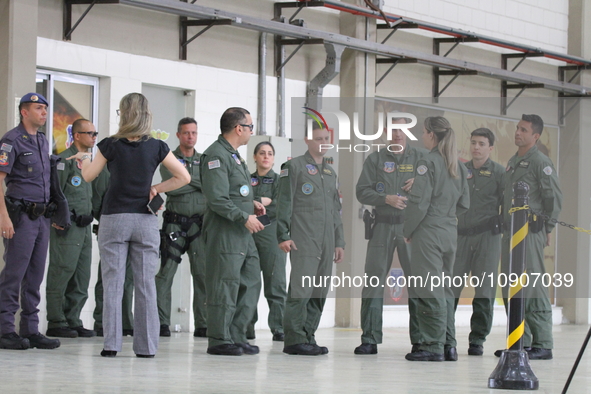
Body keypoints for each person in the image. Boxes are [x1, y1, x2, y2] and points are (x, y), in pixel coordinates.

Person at [69, 93, 190, 358]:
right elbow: (184, 176)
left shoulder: (109, 144)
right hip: (145, 220)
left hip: (114, 219)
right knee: (145, 284)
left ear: (123, 113)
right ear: (147, 114)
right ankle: (146, 347)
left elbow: (89, 175)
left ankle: (111, 344)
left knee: (113, 282)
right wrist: (157, 187)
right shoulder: (157, 146)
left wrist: (83, 159)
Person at [354, 118, 427, 355]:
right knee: (373, 281)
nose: (397, 134)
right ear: (385, 131)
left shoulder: (421, 159)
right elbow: (361, 191)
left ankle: (420, 339)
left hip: (411, 228)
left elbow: (437, 185)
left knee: (417, 282)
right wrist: (386, 199)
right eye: (393, 129)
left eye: (402, 130)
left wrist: (420, 181)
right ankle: (369, 338)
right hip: (382, 227)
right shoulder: (375, 159)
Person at [495, 114, 562, 360]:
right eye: (517, 128)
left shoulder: (540, 162)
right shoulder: (514, 160)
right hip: (510, 233)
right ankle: (519, 341)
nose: (517, 133)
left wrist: (548, 229)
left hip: (530, 233)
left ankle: (543, 343)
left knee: (532, 286)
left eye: (523, 130)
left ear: (536, 136)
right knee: (510, 288)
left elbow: (553, 198)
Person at [403, 116, 470, 362]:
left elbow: (419, 203)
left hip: (428, 232)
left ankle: (432, 346)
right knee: (444, 289)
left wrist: (408, 230)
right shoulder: (459, 166)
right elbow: (465, 203)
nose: (422, 136)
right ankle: (448, 345)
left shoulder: (427, 163)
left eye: (423, 132)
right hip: (449, 231)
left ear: (432, 134)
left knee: (428, 288)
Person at [200, 107, 265, 356]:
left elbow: (236, 191)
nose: (251, 131)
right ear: (239, 128)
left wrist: (252, 204)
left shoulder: (234, 155)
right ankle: (218, 338)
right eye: (250, 126)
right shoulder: (216, 155)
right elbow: (217, 199)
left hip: (242, 232)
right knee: (224, 284)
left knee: (249, 282)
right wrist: (243, 215)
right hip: (227, 231)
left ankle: (236, 335)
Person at [277, 124, 345, 356]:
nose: (322, 142)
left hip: (327, 241)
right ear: (307, 140)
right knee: (301, 289)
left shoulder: (330, 173)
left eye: (326, 138)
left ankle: (308, 335)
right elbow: (284, 204)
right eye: (318, 138)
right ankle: (294, 339)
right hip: (303, 239)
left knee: (319, 290)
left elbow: (336, 210)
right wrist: (283, 235)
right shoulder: (293, 167)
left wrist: (339, 242)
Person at [0, 93, 61, 350]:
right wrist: (3, 217)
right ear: (24, 112)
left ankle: (31, 329)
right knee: (14, 274)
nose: (44, 112)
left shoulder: (43, 141)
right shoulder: (11, 140)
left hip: (42, 218)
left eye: (45, 108)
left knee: (35, 275)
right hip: (20, 217)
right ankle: (4, 330)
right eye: (38, 108)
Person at [450, 128, 504, 356]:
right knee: (450, 288)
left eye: (482, 143)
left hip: (487, 238)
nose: (476, 147)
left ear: (490, 148)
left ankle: (477, 339)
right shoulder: (460, 170)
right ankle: (445, 336)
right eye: (473, 142)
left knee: (484, 290)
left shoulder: (500, 173)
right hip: (460, 235)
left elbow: (508, 203)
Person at [155, 117, 207, 338]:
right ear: (178, 135)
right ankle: (161, 323)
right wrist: (195, 183)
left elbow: (209, 186)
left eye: (194, 133)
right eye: (186, 133)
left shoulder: (205, 160)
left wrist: (184, 179)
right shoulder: (169, 158)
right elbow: (172, 189)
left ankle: (203, 324)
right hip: (174, 224)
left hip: (200, 225)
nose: (190, 137)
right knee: (166, 274)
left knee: (202, 274)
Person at [45, 119, 97, 338]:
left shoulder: (91, 162)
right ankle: (57, 321)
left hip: (85, 227)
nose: (94, 137)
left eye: (95, 133)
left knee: (81, 275)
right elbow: (55, 192)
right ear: (77, 136)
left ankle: (73, 319)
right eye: (90, 133)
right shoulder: (63, 161)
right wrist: (57, 218)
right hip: (68, 225)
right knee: (62, 271)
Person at [245, 141, 287, 342]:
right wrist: (263, 201)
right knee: (248, 282)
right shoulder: (246, 179)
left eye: (270, 153)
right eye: (262, 153)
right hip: (249, 233)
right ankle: (246, 326)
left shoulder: (280, 181)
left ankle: (278, 327)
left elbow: (281, 206)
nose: (266, 156)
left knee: (275, 282)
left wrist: (257, 202)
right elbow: (241, 201)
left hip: (271, 233)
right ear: (254, 156)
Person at [92, 167, 135, 337]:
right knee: (108, 277)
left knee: (128, 279)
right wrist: (106, 222)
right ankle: (102, 322)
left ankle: (125, 322)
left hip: (132, 226)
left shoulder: (133, 168)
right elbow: (96, 203)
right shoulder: (105, 172)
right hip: (112, 226)